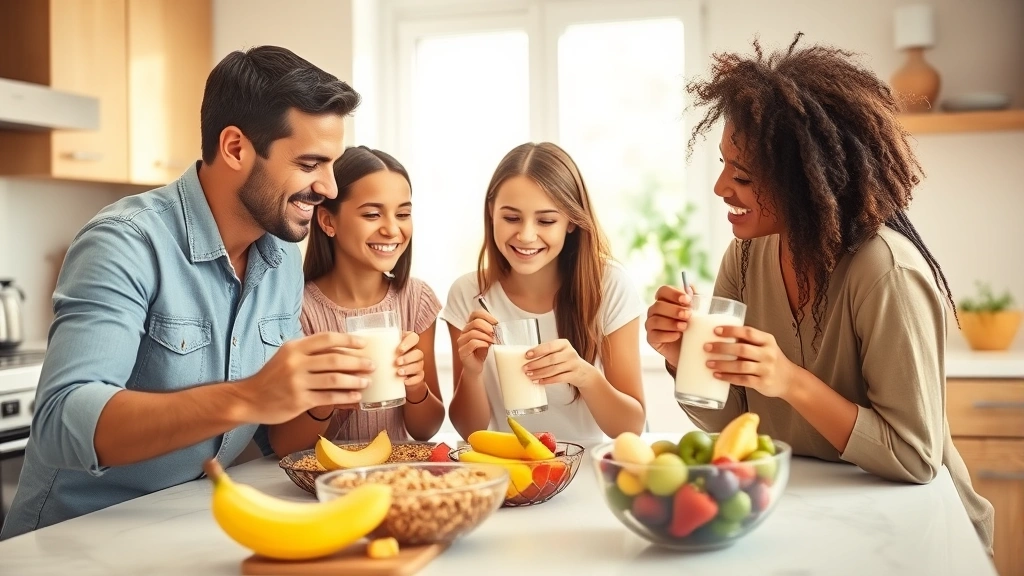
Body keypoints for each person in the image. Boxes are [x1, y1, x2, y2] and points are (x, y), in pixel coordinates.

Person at [643, 35, 995, 554]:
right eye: (722, 165)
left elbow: (917, 458)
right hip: (809, 521)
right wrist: (682, 359)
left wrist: (787, 379)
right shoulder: (745, 258)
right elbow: (733, 424)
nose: (720, 187)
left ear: (804, 181)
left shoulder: (884, 271)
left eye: (741, 175)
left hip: (922, 535)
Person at [1, 46, 370, 540]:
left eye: (332, 164)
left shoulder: (280, 257)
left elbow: (275, 437)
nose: (328, 186)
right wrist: (247, 396)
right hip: (73, 542)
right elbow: (61, 420)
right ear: (236, 148)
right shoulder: (126, 241)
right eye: (309, 164)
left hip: (184, 524)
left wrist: (323, 393)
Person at [441, 142, 646, 447]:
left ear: (572, 222)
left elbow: (629, 428)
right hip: (508, 469)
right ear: (491, 212)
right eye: (511, 218)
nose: (525, 235)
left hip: (584, 470)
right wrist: (471, 373)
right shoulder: (469, 294)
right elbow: (470, 431)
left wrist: (585, 376)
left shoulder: (609, 286)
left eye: (546, 221)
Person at [267, 146, 444, 457]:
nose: (392, 229)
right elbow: (285, 445)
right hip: (326, 480)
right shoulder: (298, 309)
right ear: (327, 222)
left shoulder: (416, 299)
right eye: (372, 214)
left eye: (403, 214)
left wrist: (415, 388)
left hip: (397, 478)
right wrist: (330, 400)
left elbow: (426, 429)